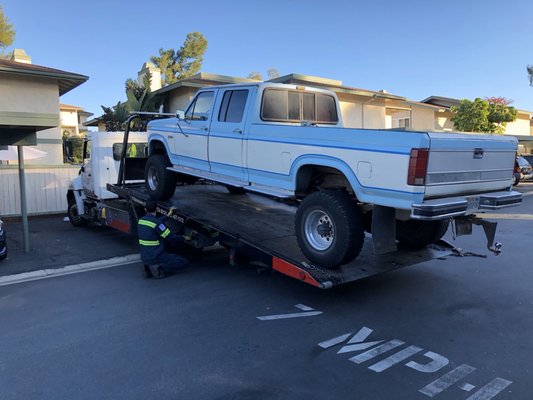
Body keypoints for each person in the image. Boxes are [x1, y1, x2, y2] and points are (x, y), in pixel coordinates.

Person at [137, 200, 188, 279]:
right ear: (157, 209)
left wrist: (168, 216)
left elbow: (155, 222)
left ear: (145, 209)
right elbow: (171, 237)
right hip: (156, 256)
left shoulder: (141, 221)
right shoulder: (157, 224)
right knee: (183, 262)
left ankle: (147, 267)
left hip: (144, 257)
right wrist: (184, 238)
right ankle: (159, 268)